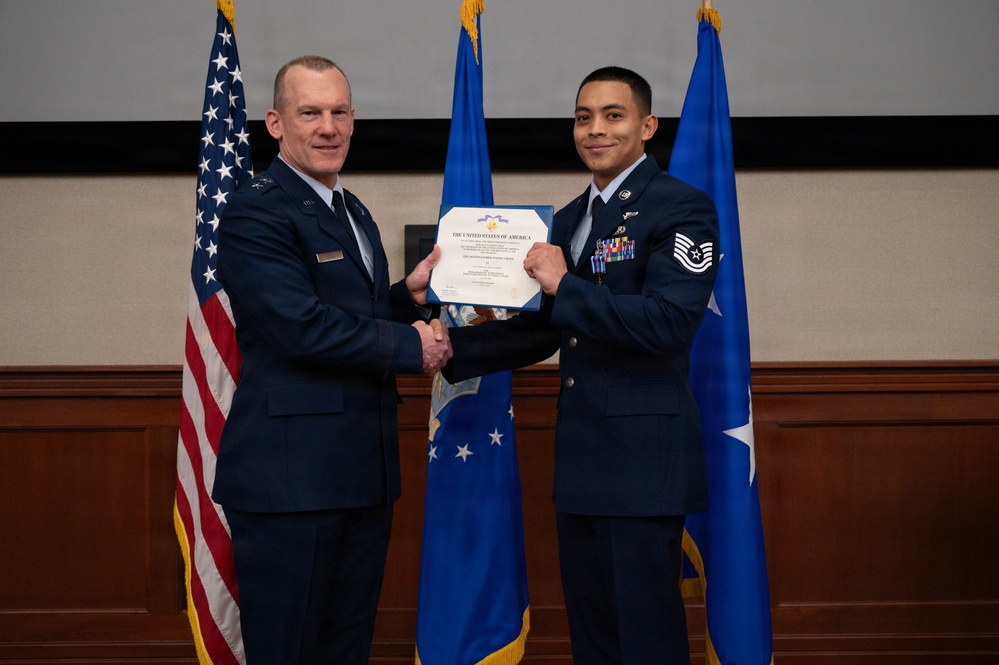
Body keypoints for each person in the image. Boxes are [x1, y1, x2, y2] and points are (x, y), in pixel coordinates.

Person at [442, 66, 720, 664]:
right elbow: (549, 328)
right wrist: (448, 349)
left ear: (647, 126)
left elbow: (668, 323)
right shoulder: (567, 219)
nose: (595, 130)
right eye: (583, 116)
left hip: (644, 463)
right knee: (594, 638)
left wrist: (565, 284)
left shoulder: (682, 208)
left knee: (646, 640)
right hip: (584, 459)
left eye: (613, 116)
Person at [212, 55, 451, 664]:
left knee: (345, 651)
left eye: (339, 112)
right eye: (310, 112)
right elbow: (298, 327)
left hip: (359, 474)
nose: (328, 127)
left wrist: (406, 298)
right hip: (290, 481)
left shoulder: (353, 210)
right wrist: (411, 346)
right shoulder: (254, 210)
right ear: (275, 123)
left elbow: (351, 313)